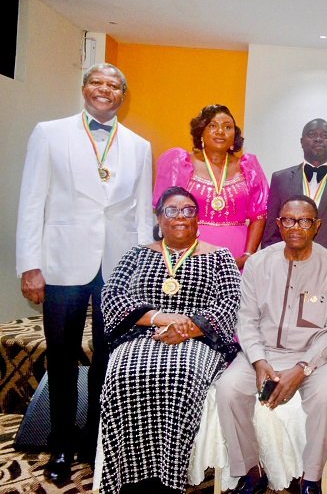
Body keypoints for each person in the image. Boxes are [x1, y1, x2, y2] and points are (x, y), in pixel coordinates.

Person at [15, 63, 153, 481]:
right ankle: (59, 445)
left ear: (122, 96)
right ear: (84, 88)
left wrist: (142, 270)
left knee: (108, 361)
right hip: (61, 263)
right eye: (97, 82)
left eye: (113, 86)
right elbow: (31, 201)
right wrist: (30, 266)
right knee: (61, 356)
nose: (105, 90)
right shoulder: (49, 133)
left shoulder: (139, 145)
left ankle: (96, 439)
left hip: (118, 267)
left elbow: (143, 213)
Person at [99, 186, 240, 493]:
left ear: (198, 219)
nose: (180, 217)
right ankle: (127, 477)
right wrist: (161, 318)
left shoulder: (220, 257)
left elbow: (230, 305)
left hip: (199, 340)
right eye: (171, 210)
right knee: (123, 374)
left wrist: (187, 328)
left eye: (188, 211)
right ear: (159, 218)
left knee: (181, 375)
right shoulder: (137, 254)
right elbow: (111, 298)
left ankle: (168, 477)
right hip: (141, 335)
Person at [216, 195, 327, 494]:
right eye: (288, 220)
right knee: (229, 389)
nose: (296, 227)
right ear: (278, 224)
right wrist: (259, 361)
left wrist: (303, 368)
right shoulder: (258, 264)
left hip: (317, 356)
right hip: (263, 352)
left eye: (304, 221)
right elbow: (246, 320)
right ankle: (251, 471)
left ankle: (311, 478)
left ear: (316, 226)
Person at [153, 104, 268, 270]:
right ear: (201, 132)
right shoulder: (179, 163)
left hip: (237, 255)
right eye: (213, 126)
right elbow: (166, 212)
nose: (220, 131)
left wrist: (247, 256)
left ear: (234, 135)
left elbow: (259, 216)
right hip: (189, 252)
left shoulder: (249, 167)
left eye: (227, 127)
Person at [261, 118, 327, 271]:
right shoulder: (280, 179)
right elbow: (272, 229)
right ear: (301, 141)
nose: (318, 139)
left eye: (325, 135)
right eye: (312, 134)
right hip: (286, 263)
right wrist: (270, 265)